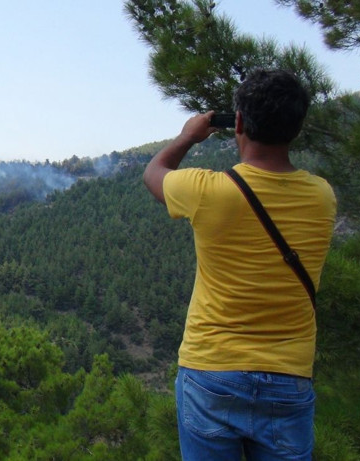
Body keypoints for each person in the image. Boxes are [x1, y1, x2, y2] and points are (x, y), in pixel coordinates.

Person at [142, 69, 336, 460]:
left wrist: (188, 136)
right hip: (289, 376)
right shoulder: (322, 196)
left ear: (240, 123)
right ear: (296, 129)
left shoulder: (209, 191)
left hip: (211, 371)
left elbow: (153, 174)